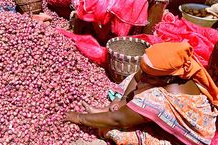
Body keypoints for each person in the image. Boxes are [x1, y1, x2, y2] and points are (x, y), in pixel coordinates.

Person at [64, 42, 218, 145]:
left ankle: (116, 115)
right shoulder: (182, 69)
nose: (142, 76)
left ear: (169, 78)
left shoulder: (158, 98)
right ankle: (119, 111)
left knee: (115, 131)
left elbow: (119, 120)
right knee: (134, 81)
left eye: (148, 75)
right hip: (163, 104)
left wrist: (78, 118)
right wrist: (122, 100)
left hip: (189, 139)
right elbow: (138, 75)